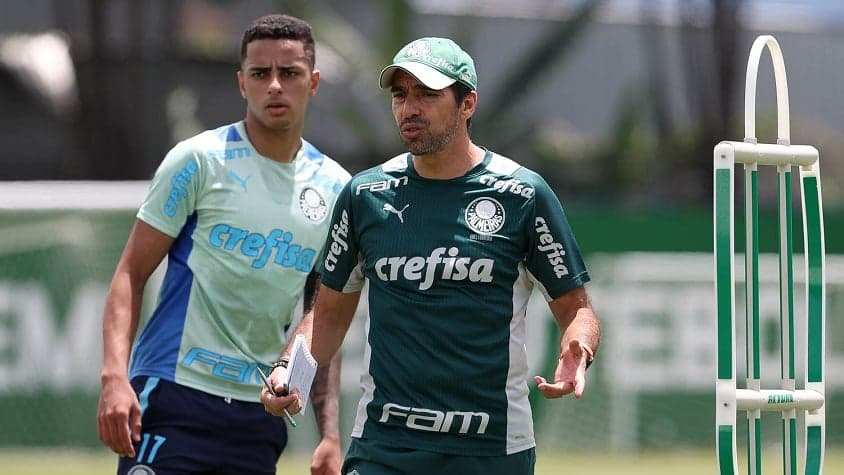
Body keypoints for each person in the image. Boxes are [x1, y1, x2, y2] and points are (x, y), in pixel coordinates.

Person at [261, 36, 602, 474]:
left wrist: (579, 345)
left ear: (467, 104)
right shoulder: (365, 195)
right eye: (400, 95)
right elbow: (326, 316)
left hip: (492, 448)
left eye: (427, 94)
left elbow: (577, 308)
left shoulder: (522, 194)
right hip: (385, 447)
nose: (409, 108)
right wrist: (290, 370)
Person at [96, 14, 350, 475]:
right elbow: (130, 273)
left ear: (313, 82)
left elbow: (322, 315)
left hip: (256, 418)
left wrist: (329, 433)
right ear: (241, 82)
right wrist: (115, 377)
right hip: (173, 397)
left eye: (289, 73)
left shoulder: (336, 188)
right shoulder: (198, 162)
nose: (274, 85)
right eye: (260, 73)